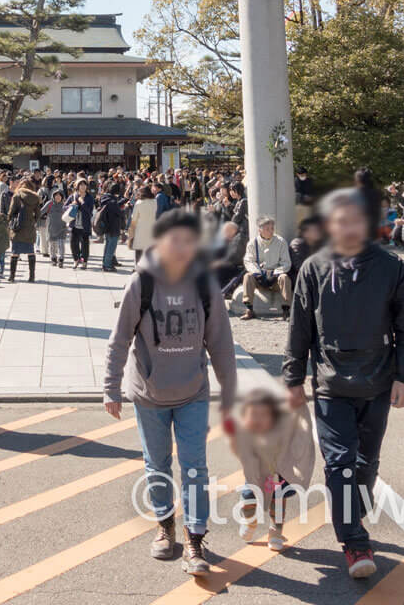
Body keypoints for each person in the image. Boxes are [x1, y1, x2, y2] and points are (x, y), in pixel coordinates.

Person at [284, 188, 404, 580]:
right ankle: (355, 543)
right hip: (330, 382)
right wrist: (293, 377)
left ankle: (351, 512)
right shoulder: (313, 268)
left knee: (366, 462)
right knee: (340, 462)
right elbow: (299, 329)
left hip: (377, 380)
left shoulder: (391, 268)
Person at [104, 209, 237, 576]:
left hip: (193, 390)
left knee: (195, 466)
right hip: (149, 393)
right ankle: (165, 526)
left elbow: (221, 343)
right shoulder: (141, 283)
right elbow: (119, 341)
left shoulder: (204, 284)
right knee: (157, 464)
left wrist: (230, 390)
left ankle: (195, 537)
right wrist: (110, 388)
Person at [228, 385, 315, 551]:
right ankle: (249, 520)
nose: (258, 419)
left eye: (263, 415)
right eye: (253, 415)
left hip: (280, 475)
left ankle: (275, 532)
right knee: (248, 498)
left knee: (278, 502)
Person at [240, 216, 293, 320]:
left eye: (272, 228)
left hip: (275, 279)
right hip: (259, 277)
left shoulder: (281, 242)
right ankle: (249, 310)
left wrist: (276, 273)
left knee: (285, 278)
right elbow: (249, 260)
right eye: (267, 229)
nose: (271, 231)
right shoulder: (252, 243)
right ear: (260, 229)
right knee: (248, 276)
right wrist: (257, 273)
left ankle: (286, 310)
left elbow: (286, 262)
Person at [6, 177, 42, 283]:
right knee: (31, 251)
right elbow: (38, 213)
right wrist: (33, 221)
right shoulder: (35, 198)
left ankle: (12, 276)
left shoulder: (17, 196)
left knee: (15, 252)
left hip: (18, 227)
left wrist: (9, 221)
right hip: (29, 227)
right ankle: (32, 276)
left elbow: (11, 211)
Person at [96, 181, 126, 271]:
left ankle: (105, 263)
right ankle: (107, 265)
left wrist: (124, 200)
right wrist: (123, 210)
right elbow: (118, 212)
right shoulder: (112, 201)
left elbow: (115, 206)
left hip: (107, 226)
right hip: (114, 226)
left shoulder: (106, 198)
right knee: (111, 247)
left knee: (108, 245)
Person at [127, 186, 158, 263]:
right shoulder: (154, 201)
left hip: (140, 229)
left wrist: (131, 230)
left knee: (139, 250)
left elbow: (134, 218)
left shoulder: (139, 203)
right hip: (152, 228)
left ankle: (138, 267)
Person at [69, 180, 95, 269]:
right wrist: (71, 205)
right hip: (74, 223)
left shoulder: (89, 197)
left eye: (84, 185)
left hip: (85, 224)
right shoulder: (73, 196)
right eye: (81, 185)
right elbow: (64, 206)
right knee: (73, 244)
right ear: (77, 186)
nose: (83, 187)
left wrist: (82, 202)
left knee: (85, 245)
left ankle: (84, 262)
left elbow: (89, 211)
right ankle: (76, 260)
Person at [44, 189, 67, 267]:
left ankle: (61, 259)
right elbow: (41, 211)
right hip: (51, 228)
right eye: (56, 195)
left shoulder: (64, 204)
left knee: (61, 245)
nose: (57, 197)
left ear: (62, 197)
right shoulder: (49, 204)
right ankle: (53, 259)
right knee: (52, 245)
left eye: (59, 195)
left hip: (62, 228)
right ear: (53, 196)